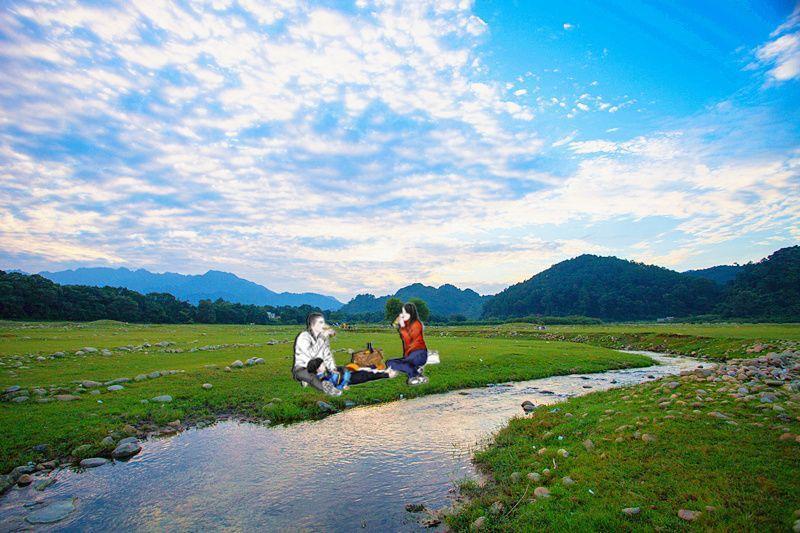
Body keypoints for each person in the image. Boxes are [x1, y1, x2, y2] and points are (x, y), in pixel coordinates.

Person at [293, 312, 341, 396]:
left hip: (320, 367)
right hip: (303, 368)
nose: (324, 324)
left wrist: (332, 368)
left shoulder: (323, 338)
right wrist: (322, 337)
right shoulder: (304, 336)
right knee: (312, 377)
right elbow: (311, 353)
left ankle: (327, 382)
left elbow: (327, 355)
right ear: (312, 324)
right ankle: (327, 389)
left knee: (340, 372)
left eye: (323, 322)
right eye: (321, 322)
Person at [387, 302, 429, 385]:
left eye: (404, 312)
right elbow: (394, 325)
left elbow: (408, 340)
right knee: (390, 363)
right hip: (410, 355)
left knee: (405, 363)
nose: (402, 314)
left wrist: (402, 326)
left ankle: (414, 376)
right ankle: (417, 372)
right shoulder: (407, 324)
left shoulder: (417, 324)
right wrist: (398, 322)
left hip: (419, 354)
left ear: (410, 313)